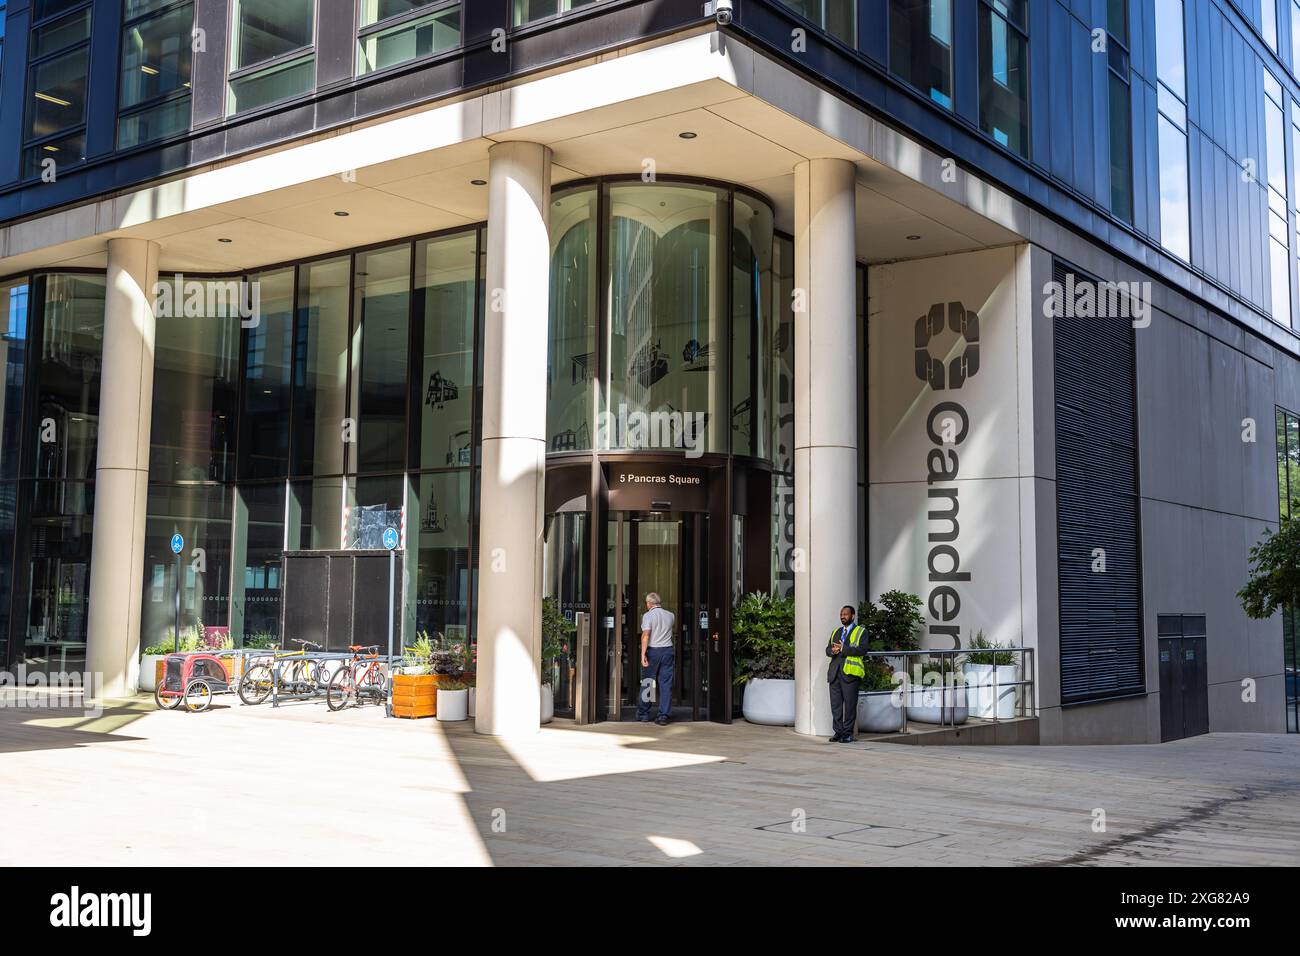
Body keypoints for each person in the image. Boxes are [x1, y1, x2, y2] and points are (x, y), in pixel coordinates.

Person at [826, 604, 867, 743]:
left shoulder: (861, 631)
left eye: (846, 614)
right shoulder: (836, 632)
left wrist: (843, 649)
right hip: (834, 674)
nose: (843, 616)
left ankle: (848, 734)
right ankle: (838, 732)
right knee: (836, 706)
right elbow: (827, 649)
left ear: (853, 616)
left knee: (849, 706)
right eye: (841, 614)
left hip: (850, 674)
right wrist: (833, 651)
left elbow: (862, 650)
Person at [638, 592, 676, 725]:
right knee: (666, 684)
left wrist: (643, 654)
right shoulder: (670, 615)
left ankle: (644, 714)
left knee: (648, 682)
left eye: (646, 603)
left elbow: (646, 635)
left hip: (653, 651)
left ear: (649, 603)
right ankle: (663, 716)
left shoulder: (648, 616)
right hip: (668, 651)